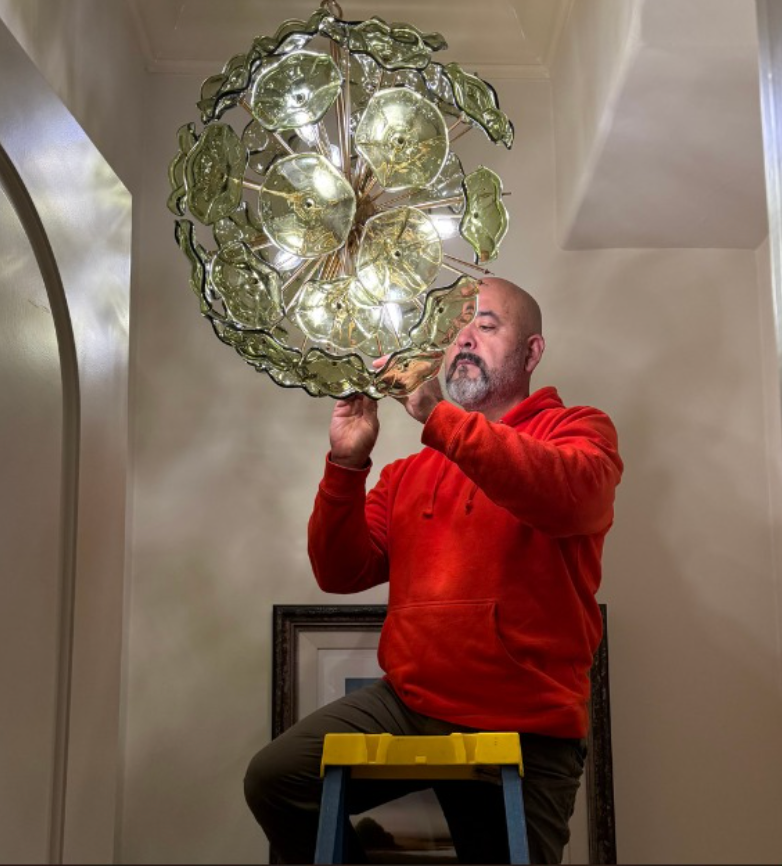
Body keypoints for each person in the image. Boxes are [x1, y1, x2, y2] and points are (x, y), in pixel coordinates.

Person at [244, 277, 623, 864]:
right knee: (277, 779)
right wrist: (346, 462)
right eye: (454, 330)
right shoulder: (407, 473)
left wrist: (437, 415)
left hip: (524, 720)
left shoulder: (578, 430)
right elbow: (339, 572)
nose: (464, 339)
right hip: (409, 706)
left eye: (486, 325)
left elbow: (569, 497)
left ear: (532, 352)